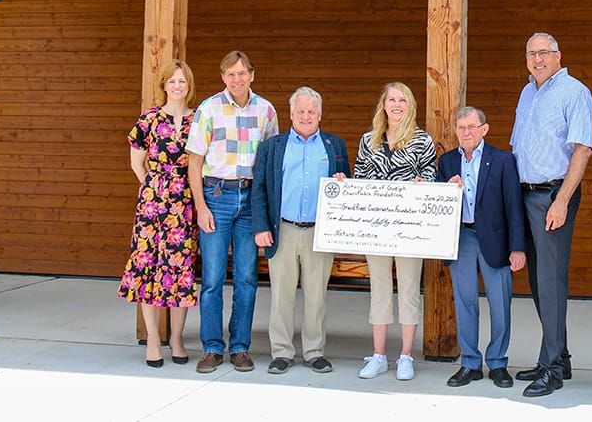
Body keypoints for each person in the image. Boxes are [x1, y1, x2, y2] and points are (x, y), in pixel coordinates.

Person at [510, 32, 592, 398]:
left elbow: (582, 149)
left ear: (559, 55)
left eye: (544, 53)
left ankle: (552, 368)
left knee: (551, 281)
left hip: (552, 196)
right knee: (537, 279)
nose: (538, 59)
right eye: (532, 53)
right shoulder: (528, 92)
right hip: (524, 195)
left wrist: (562, 199)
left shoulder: (574, 92)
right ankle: (558, 355)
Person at [186, 51, 278, 373]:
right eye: (230, 74)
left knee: (247, 278)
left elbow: (268, 165)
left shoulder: (266, 110)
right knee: (211, 278)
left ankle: (240, 347)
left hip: (250, 198)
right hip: (216, 195)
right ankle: (212, 347)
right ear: (223, 77)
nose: (236, 80)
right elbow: (194, 161)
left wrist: (265, 210)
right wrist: (200, 206)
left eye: (242, 73)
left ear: (252, 74)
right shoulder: (208, 108)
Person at [251, 87, 349, 375]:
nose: (306, 116)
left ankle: (314, 351)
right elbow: (260, 188)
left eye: (311, 111)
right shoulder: (273, 146)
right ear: (291, 114)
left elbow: (345, 187)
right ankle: (281, 352)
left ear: (319, 114)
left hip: (320, 232)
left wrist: (343, 181)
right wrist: (260, 226)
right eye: (300, 111)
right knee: (282, 295)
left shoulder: (335, 145)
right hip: (283, 229)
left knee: (316, 296)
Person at [437, 106, 526, 389]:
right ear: (455, 131)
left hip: (496, 240)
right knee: (465, 303)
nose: (466, 133)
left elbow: (514, 206)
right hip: (461, 238)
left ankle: (498, 362)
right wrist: (448, 189)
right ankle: (470, 363)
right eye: (461, 128)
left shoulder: (502, 160)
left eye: (472, 127)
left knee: (500, 303)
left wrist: (517, 247)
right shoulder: (448, 161)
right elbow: (438, 202)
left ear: (484, 129)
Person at [353, 82, 437, 381]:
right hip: (376, 230)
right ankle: (378, 356)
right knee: (379, 290)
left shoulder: (422, 140)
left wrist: (422, 184)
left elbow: (430, 176)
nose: (397, 105)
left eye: (403, 99)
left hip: (408, 230)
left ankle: (404, 356)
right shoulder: (369, 140)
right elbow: (359, 178)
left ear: (410, 105)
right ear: (384, 104)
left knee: (410, 290)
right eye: (392, 99)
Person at [118, 59, 199, 368]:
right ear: (164, 84)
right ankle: (153, 339)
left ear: (189, 86)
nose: (177, 86)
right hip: (152, 205)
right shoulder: (149, 120)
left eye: (183, 81)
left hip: (185, 204)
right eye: (172, 81)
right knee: (148, 269)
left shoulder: (198, 120)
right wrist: (154, 189)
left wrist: (179, 193)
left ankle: (176, 338)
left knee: (180, 271)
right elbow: (136, 163)